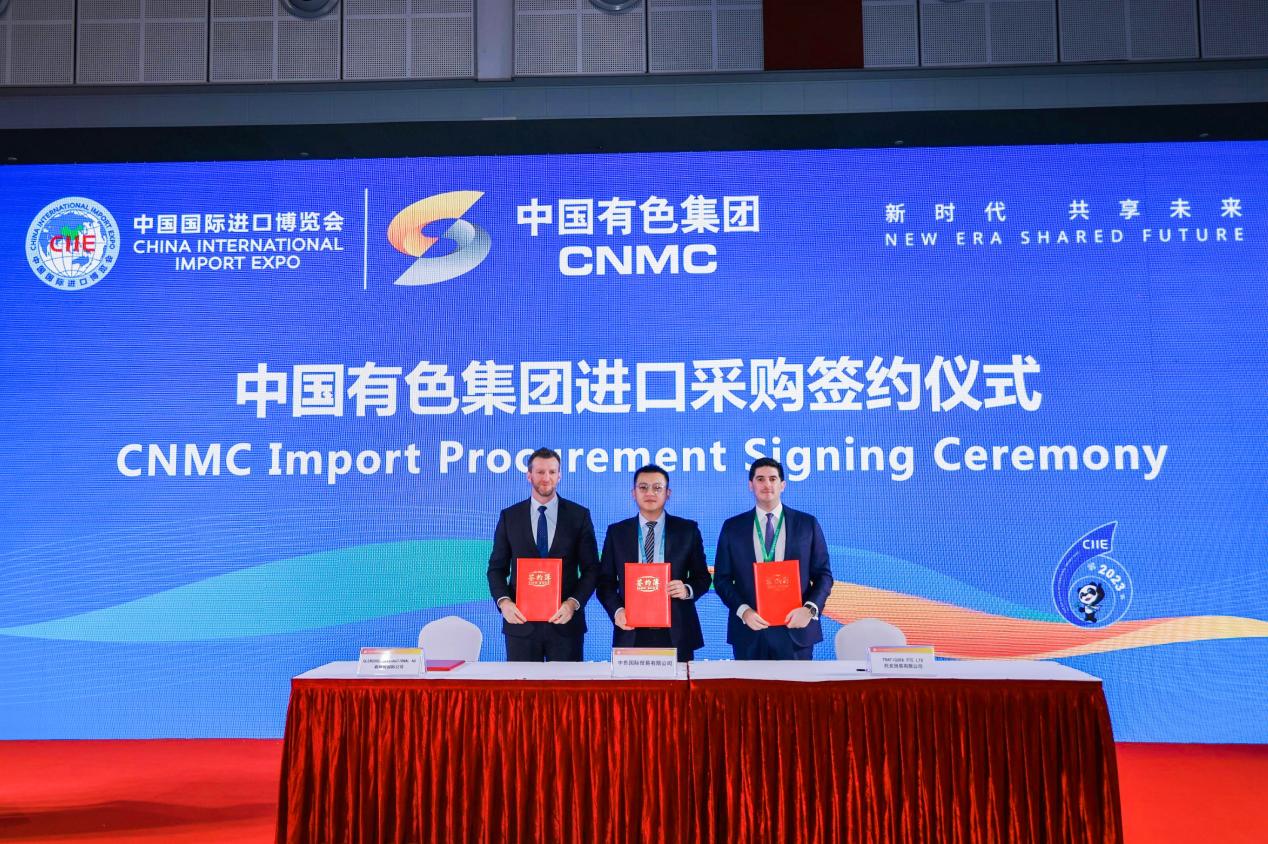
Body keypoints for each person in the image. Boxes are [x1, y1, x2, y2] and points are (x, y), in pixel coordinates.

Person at [713, 457, 833, 660]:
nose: (767, 484)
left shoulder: (807, 524)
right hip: (749, 631)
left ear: (782, 485)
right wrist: (744, 611)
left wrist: (809, 610)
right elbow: (721, 579)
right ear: (750, 485)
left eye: (773, 479)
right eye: (760, 479)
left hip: (795, 631)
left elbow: (824, 575)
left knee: (796, 683)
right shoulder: (732, 527)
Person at [487, 447, 600, 661]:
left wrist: (573, 603)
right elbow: (496, 569)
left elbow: (592, 569)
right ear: (529, 475)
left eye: (552, 472)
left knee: (566, 684)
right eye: (540, 472)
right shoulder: (510, 516)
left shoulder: (579, 516)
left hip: (566, 625)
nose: (546, 478)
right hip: (520, 625)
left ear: (559, 475)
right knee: (521, 684)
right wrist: (504, 603)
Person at [596, 465, 712, 662]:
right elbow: (604, 582)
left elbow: (703, 577)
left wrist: (686, 589)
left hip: (676, 630)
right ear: (633, 493)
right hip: (630, 629)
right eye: (643, 487)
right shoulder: (617, 532)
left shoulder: (687, 530)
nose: (650, 493)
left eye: (657, 488)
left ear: (668, 493)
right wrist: (617, 611)